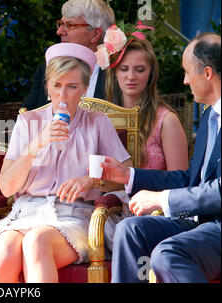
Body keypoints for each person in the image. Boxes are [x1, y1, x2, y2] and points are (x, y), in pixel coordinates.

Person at [0, 43, 132, 283]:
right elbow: (6, 188)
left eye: (72, 87)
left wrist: (92, 180)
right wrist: (36, 144)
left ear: (84, 89)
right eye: (57, 86)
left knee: (37, 241)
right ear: (48, 88)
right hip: (26, 213)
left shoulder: (97, 122)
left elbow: (126, 176)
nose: (63, 96)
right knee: (5, 249)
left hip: (75, 215)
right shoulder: (27, 122)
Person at [101, 33, 221, 283]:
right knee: (129, 228)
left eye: (188, 72)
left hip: (217, 227)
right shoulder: (210, 117)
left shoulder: (172, 118)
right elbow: (191, 179)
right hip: (199, 222)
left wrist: (161, 198)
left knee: (166, 254)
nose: (185, 81)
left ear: (207, 73)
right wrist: (129, 175)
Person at [98, 24, 188, 171]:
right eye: (124, 69)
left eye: (140, 70)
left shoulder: (166, 121)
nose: (131, 77)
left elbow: (180, 182)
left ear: (151, 72)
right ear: (114, 72)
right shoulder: (101, 117)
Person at [22, 0, 115, 110]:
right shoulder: (47, 70)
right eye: (61, 24)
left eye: (69, 25)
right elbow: (26, 115)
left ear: (95, 34)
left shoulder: (117, 74)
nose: (60, 32)